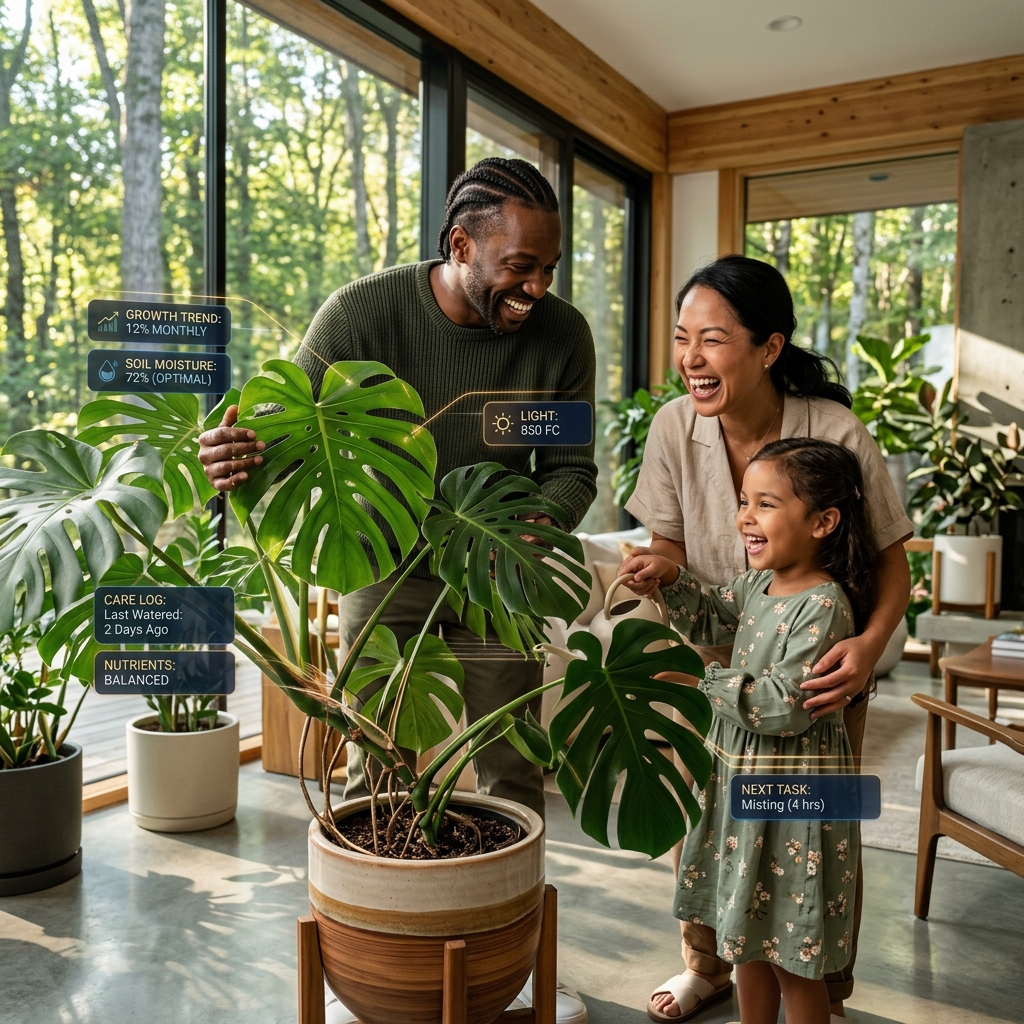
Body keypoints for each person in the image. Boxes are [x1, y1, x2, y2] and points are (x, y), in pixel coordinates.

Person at [198, 157, 596, 1024]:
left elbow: (572, 469)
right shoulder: (362, 312)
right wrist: (230, 452)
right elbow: (282, 422)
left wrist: (529, 533)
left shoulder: (562, 336)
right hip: (382, 563)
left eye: (548, 268)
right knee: (374, 765)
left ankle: (515, 964)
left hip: (495, 565)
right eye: (518, 266)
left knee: (512, 768)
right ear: (461, 244)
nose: (536, 286)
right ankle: (372, 962)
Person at [623, 256, 912, 1021]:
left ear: (768, 348)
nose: (690, 357)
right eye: (683, 338)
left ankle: (819, 987)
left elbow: (890, 563)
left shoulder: (836, 430)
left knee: (808, 845)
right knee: (714, 826)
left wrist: (868, 648)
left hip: (820, 681)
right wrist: (660, 575)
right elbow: (672, 548)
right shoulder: (672, 428)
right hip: (718, 671)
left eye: (712, 340)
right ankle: (706, 965)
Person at [623, 438, 873, 1024]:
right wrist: (669, 578)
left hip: (792, 797)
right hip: (746, 787)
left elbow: (786, 706)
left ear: (823, 522)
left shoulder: (824, 606)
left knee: (790, 955)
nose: (746, 518)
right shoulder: (758, 586)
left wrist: (702, 681)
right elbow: (711, 611)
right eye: (743, 502)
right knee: (747, 940)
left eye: (765, 504)